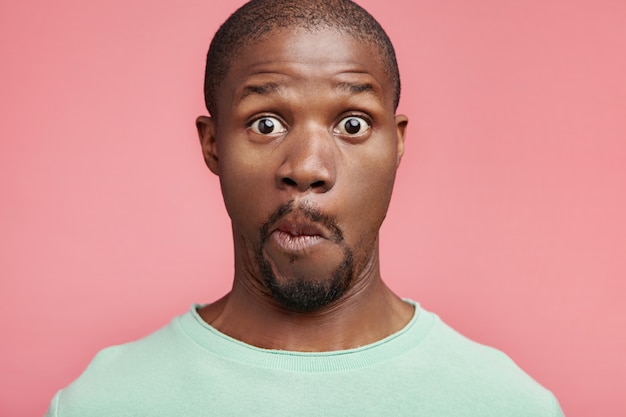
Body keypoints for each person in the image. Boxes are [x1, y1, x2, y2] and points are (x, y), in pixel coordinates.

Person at [45, 0, 564, 415]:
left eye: (353, 124)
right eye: (265, 123)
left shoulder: (507, 405)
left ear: (398, 145)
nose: (308, 168)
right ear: (213, 145)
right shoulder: (101, 403)